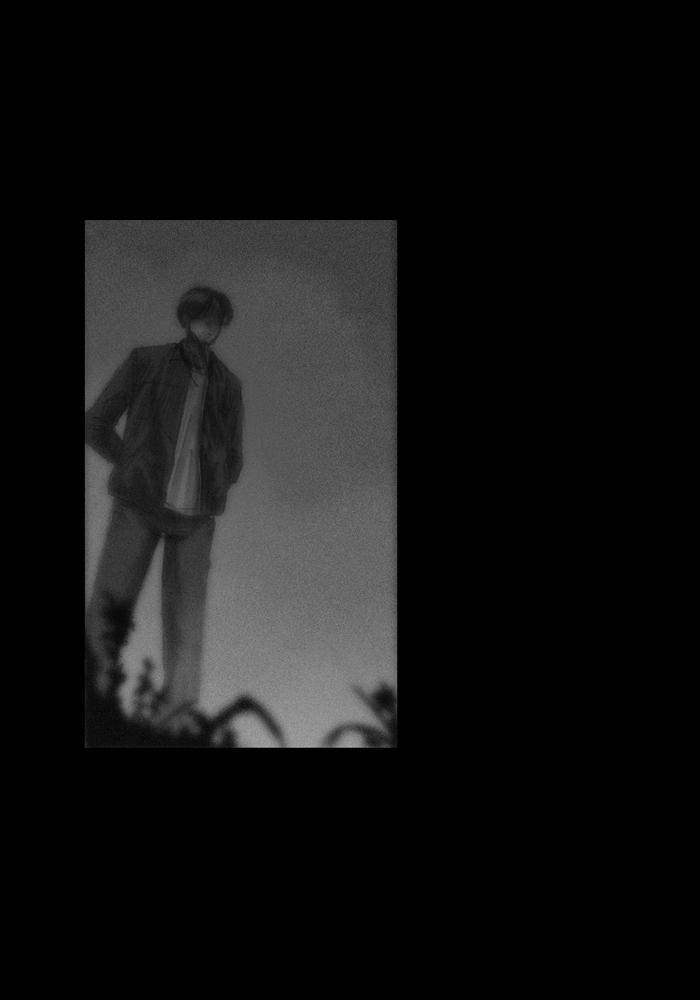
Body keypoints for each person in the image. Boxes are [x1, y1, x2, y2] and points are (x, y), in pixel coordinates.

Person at [85, 285, 244, 732]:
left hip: (195, 521)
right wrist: (130, 463)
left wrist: (217, 481)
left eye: (217, 320)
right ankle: (91, 710)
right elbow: (95, 422)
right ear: (186, 318)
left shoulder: (228, 384)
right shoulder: (147, 361)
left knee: (187, 629)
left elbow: (234, 456)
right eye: (203, 317)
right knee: (107, 612)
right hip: (138, 506)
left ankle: (177, 726)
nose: (210, 326)